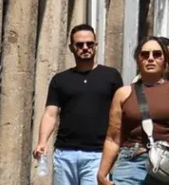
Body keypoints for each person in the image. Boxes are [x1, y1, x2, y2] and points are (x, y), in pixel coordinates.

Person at [97, 36, 169, 185]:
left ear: (166, 61)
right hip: (131, 164)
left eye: (157, 54)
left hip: (168, 165)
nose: (150, 58)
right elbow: (113, 138)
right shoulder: (123, 94)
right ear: (138, 60)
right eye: (145, 55)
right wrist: (102, 173)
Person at [33, 24, 123, 185]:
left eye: (89, 43)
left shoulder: (111, 76)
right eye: (79, 45)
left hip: (98, 154)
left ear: (96, 45)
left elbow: (121, 113)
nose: (85, 48)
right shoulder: (60, 80)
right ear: (71, 48)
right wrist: (42, 141)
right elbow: (50, 114)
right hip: (64, 154)